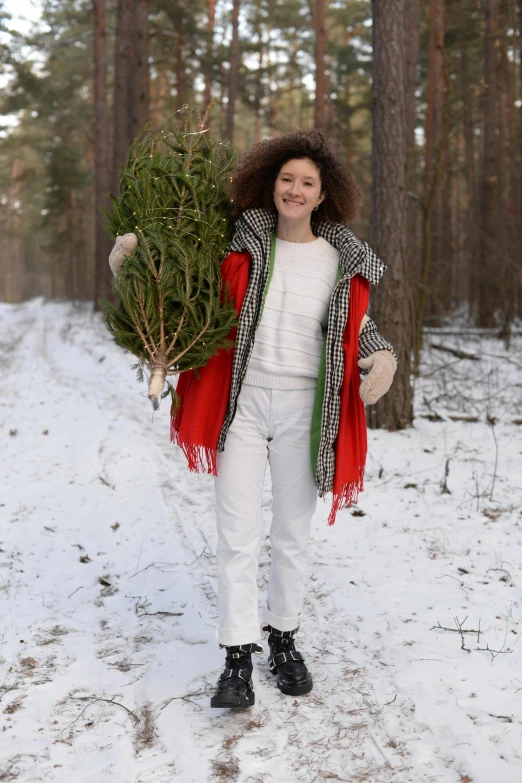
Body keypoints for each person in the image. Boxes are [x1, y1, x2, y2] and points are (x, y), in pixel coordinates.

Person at [112, 130, 397, 710]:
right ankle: (237, 655)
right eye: (287, 179)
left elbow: (356, 328)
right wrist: (128, 265)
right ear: (271, 184)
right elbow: (179, 296)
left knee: (292, 534)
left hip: (305, 409)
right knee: (236, 536)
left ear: (323, 195)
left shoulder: (342, 260)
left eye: (307, 183)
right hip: (243, 405)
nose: (295, 189)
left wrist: (381, 355)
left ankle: (284, 639)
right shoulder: (238, 244)